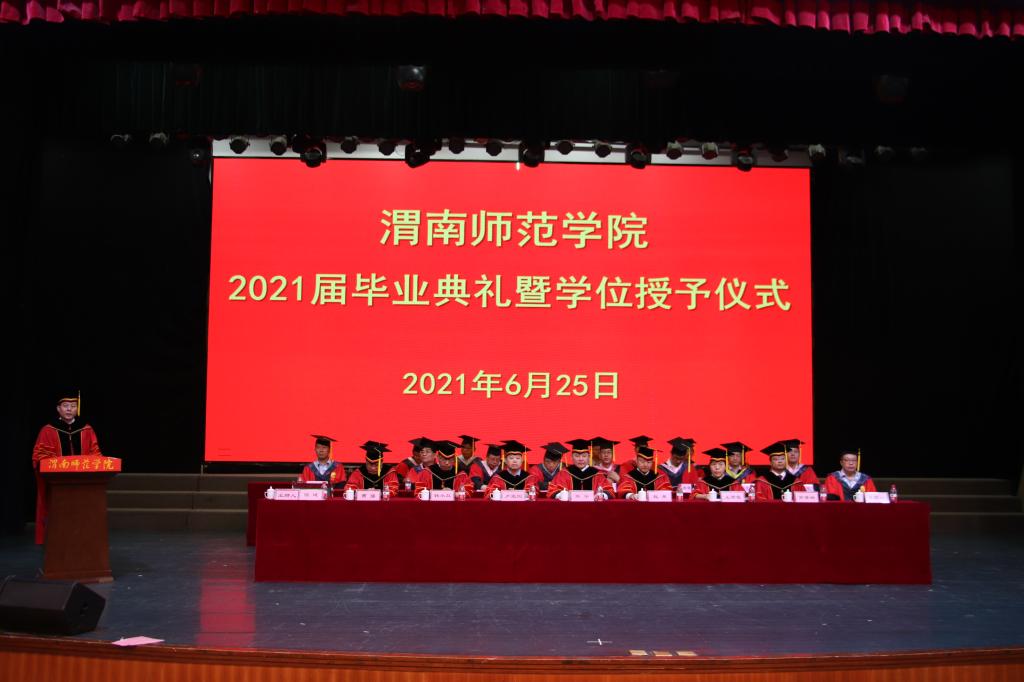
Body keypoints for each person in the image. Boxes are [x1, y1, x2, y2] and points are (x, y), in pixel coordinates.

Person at [31, 390, 102, 544]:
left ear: (77, 409)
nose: (69, 409)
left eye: (73, 406)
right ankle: (57, 541)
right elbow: (40, 456)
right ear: (58, 409)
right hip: (57, 486)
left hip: (83, 484)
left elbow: (95, 453)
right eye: (65, 406)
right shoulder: (48, 430)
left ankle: (83, 540)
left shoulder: (86, 429)